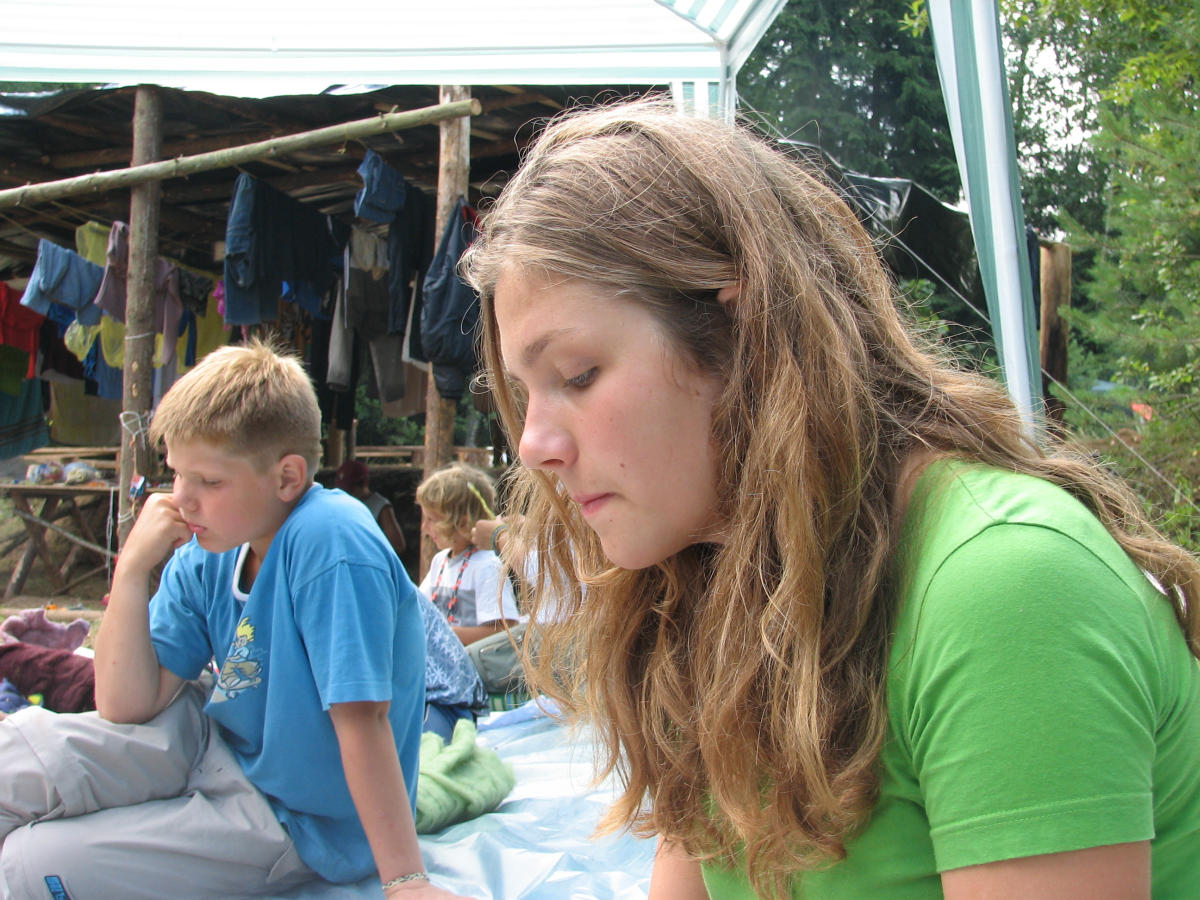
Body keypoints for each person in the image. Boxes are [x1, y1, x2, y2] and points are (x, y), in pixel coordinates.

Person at [461, 99, 1200, 899]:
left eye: (576, 376)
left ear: (743, 335)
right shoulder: (701, 582)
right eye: (524, 394)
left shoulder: (1005, 588)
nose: (533, 444)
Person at [0, 339, 467, 900]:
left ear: (287, 478)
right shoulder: (208, 549)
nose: (182, 500)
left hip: (295, 817)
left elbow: (362, 720)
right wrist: (131, 569)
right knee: (13, 766)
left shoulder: (329, 540)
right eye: (177, 474)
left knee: (33, 864)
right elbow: (126, 705)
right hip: (211, 740)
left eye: (210, 481)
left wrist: (407, 882)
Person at [415, 463, 519, 646]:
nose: (424, 528)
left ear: (462, 523)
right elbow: (418, 608)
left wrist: (445, 633)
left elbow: (505, 629)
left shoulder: (486, 566)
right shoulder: (440, 561)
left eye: (431, 519)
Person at [336, 459, 408, 559]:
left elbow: (398, 546)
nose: (347, 494)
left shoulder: (381, 505)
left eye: (351, 490)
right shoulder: (340, 503)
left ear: (365, 482)